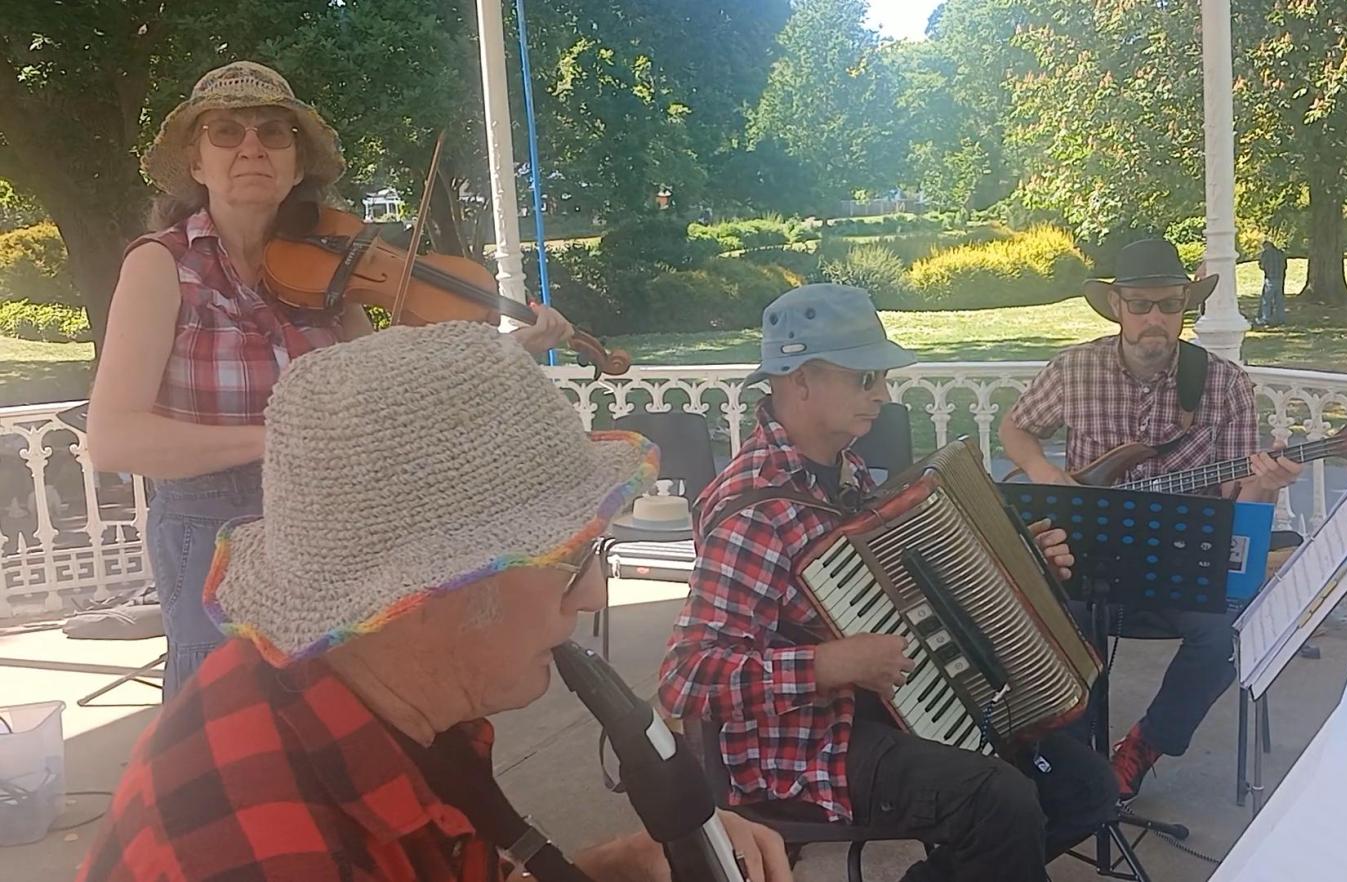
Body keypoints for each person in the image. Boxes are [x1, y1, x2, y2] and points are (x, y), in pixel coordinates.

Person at [77, 321, 791, 882]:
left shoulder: (363, 703)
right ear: (426, 592)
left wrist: (611, 869)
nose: (596, 594)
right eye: (571, 560)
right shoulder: (268, 851)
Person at [84, 61, 571, 697]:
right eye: (226, 132)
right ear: (197, 164)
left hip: (334, 524)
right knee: (231, 716)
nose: (252, 147)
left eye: (273, 132)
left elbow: (387, 397)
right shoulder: (161, 265)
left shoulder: (330, 269)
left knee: (341, 709)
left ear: (296, 165)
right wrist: (280, 439)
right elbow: (114, 438)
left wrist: (502, 351)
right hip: (215, 533)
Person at [658, 283, 1119, 882]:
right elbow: (687, 678)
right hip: (799, 742)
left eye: (881, 378)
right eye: (865, 378)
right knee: (998, 799)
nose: (882, 394)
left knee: (1085, 786)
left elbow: (900, 596)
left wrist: (1022, 571)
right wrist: (828, 664)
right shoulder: (754, 510)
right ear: (801, 380)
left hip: (888, 704)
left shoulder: (843, 469)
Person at [998, 238, 1303, 802]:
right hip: (1086, 555)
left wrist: (1265, 482)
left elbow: (1240, 502)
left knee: (1224, 636)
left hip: (1182, 565)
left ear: (1185, 305)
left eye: (1169, 304)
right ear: (1117, 306)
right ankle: (1070, 761)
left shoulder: (1226, 384)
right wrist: (1043, 471)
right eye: (1141, 305)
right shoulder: (1073, 368)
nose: (1155, 319)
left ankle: (1143, 747)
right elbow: (1015, 428)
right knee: (1048, 623)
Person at [1257, 239, 1287, 326]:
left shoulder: (1266, 254)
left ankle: (1266, 319)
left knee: (1267, 300)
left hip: (1270, 279)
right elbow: (1285, 266)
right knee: (1279, 301)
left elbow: (1262, 265)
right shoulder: (1280, 253)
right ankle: (1281, 319)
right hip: (1280, 279)